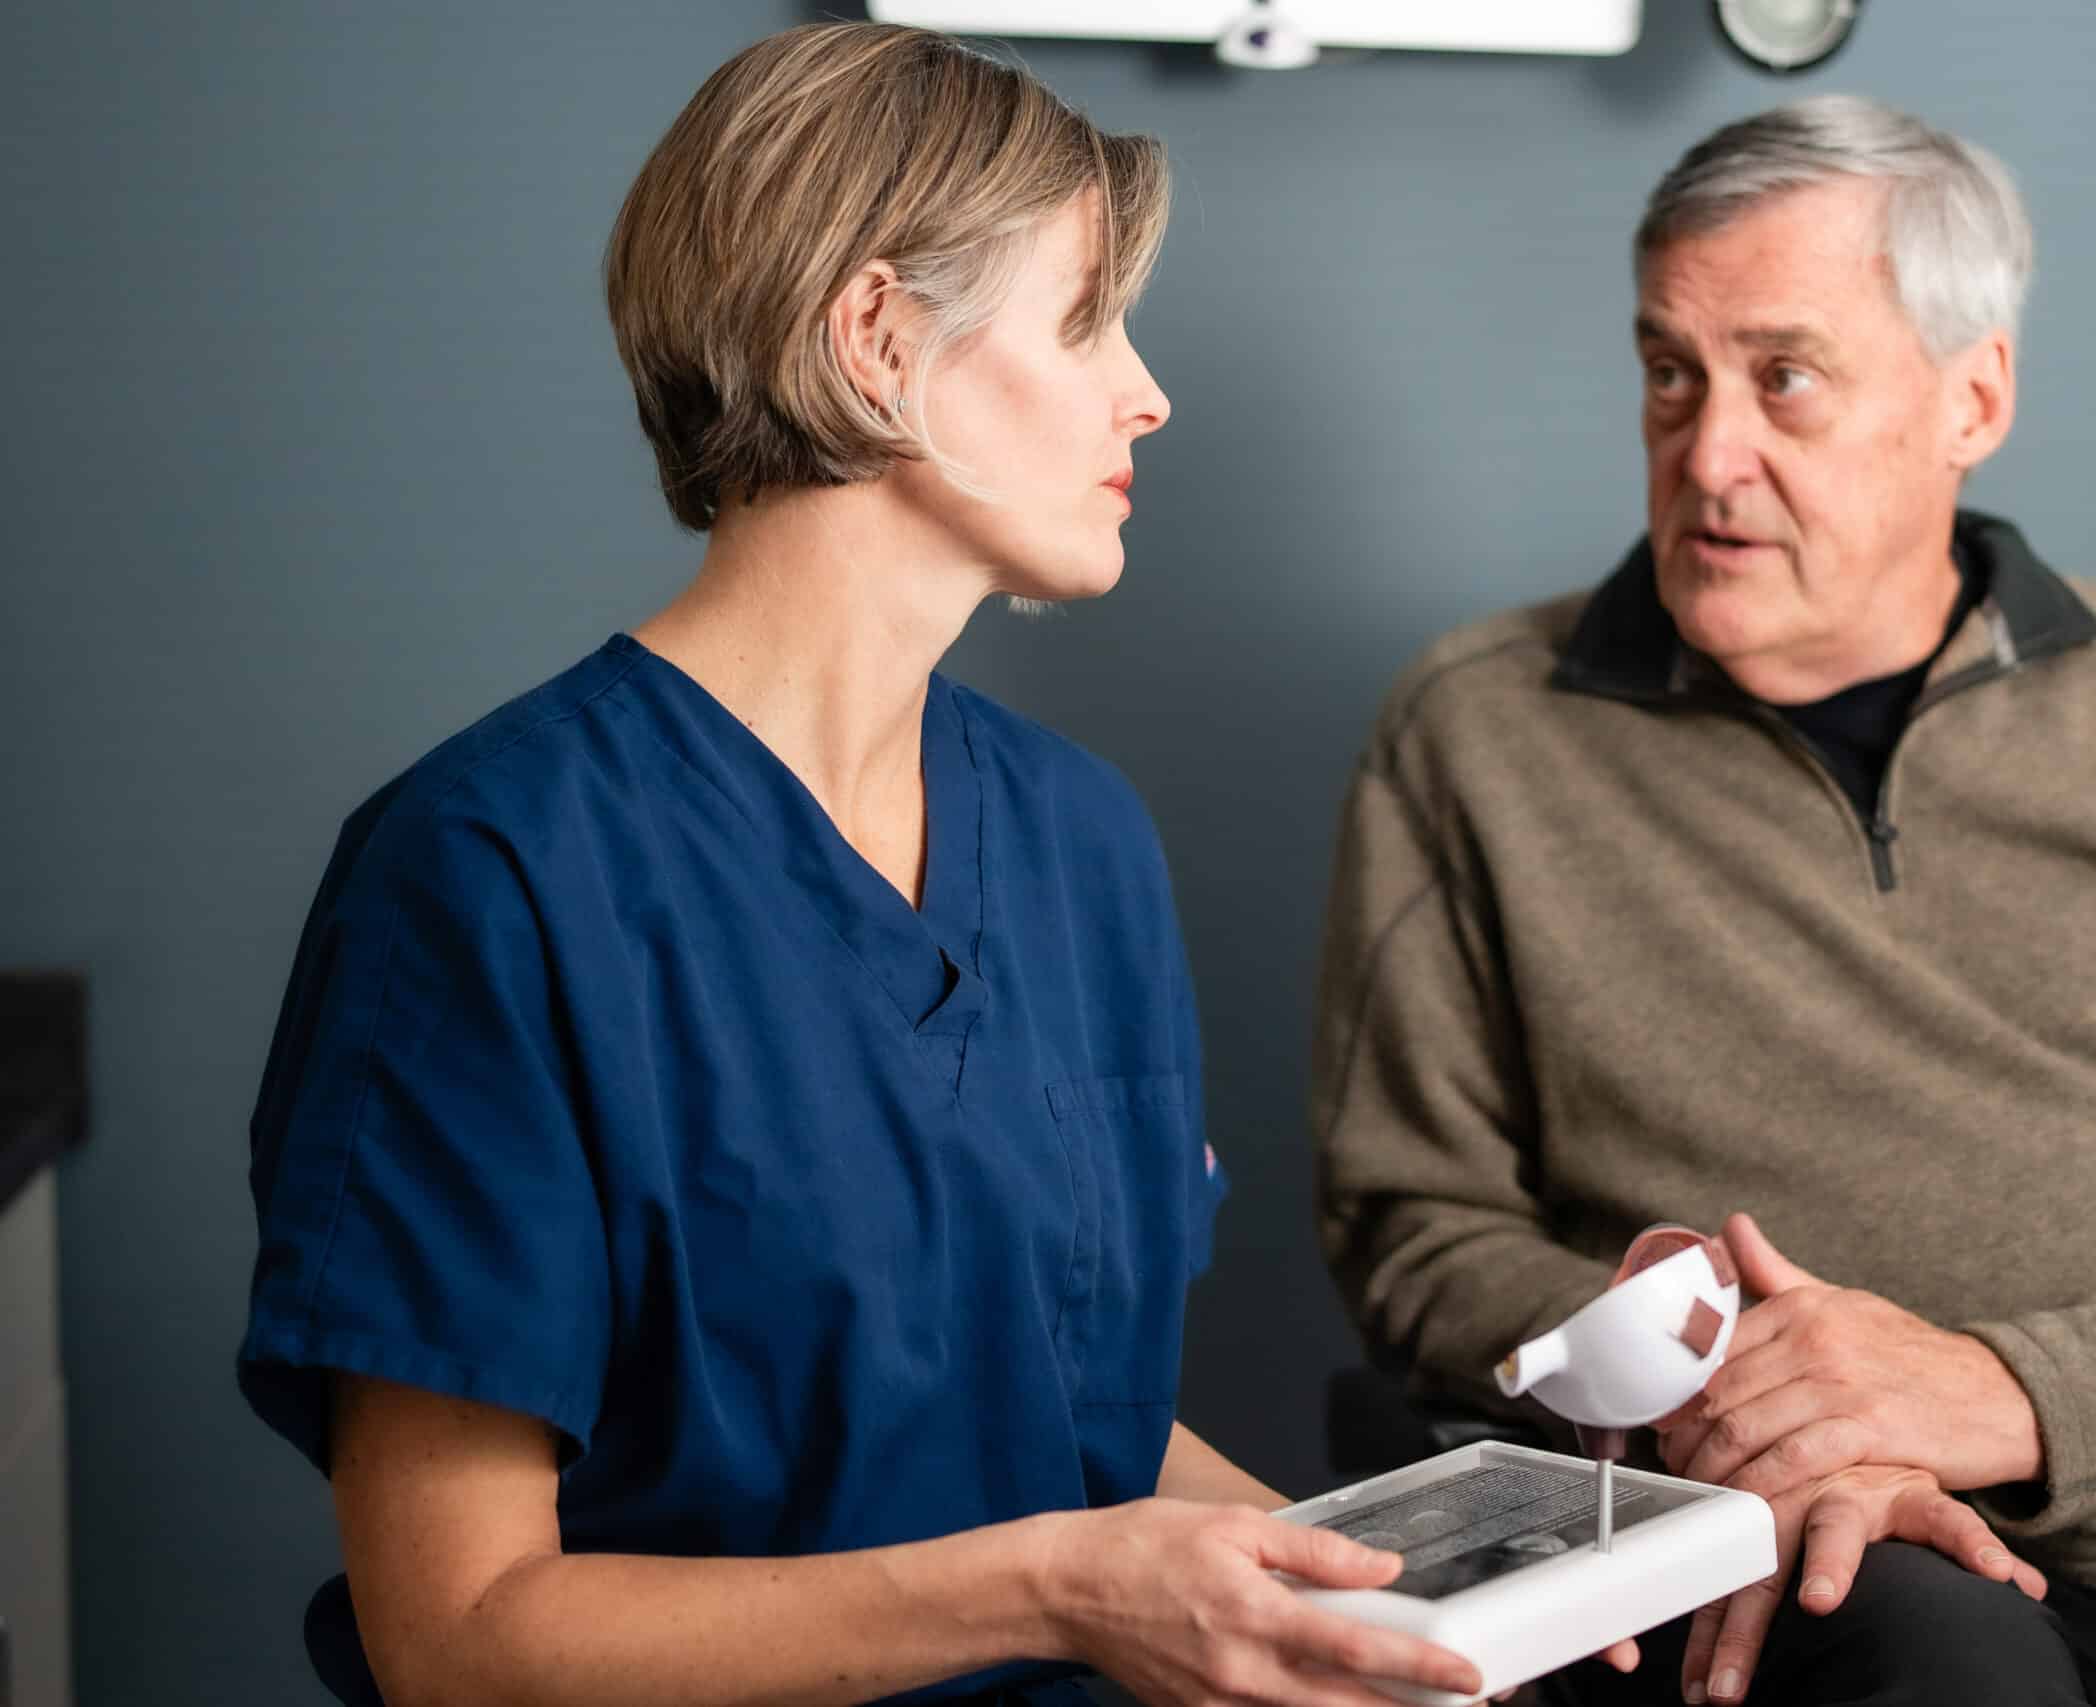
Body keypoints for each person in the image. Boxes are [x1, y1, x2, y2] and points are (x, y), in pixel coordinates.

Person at [238, 25, 1619, 1707]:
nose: (1146, 389)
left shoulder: (1078, 839)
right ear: (881, 342)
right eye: (1085, 318)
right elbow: (458, 1640)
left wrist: (1412, 1612)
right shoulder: (487, 877)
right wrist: (1051, 1592)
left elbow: (1074, 1430)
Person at [1313, 95, 2096, 1707]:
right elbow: (1410, 1227)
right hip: (1823, 1531)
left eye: (1787, 377)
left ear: (1972, 396)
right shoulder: (1474, 732)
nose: (1708, 455)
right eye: (1670, 373)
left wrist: (2002, 1391)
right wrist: (1722, 1401)